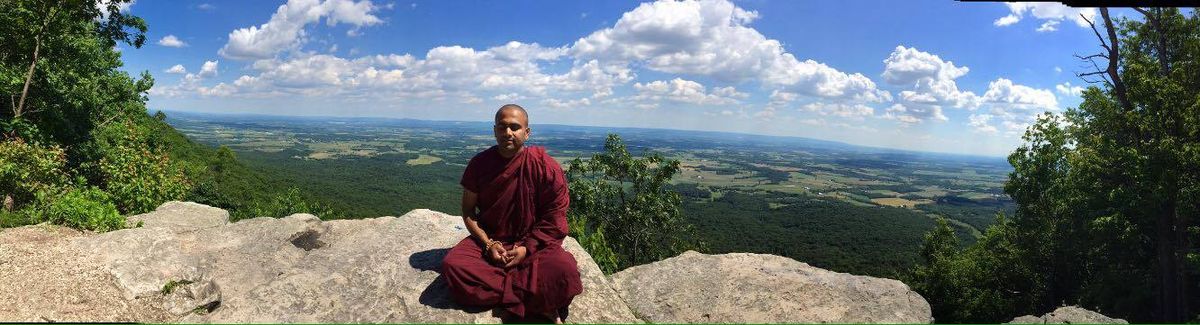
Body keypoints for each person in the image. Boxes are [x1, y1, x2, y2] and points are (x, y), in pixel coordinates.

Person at [441, 104, 583, 323]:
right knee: (454, 266)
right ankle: (536, 299)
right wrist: (488, 244)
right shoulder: (479, 164)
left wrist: (527, 248)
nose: (508, 132)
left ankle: (506, 295)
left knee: (565, 270)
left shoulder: (545, 166)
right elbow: (468, 211)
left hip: (532, 243)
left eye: (515, 127)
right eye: (502, 127)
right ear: (494, 130)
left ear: (527, 132)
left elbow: (555, 216)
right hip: (492, 239)